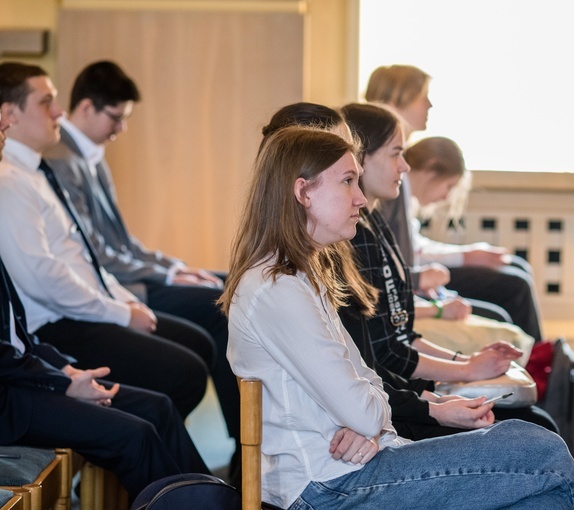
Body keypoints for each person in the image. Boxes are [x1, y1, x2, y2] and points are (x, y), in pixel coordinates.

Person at [221, 124, 574, 509]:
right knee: (541, 451)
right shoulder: (277, 289)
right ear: (303, 192)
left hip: (352, 466)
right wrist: (368, 423)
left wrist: (368, 424)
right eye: (348, 181)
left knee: (541, 497)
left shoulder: (301, 275)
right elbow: (362, 407)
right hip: (325, 486)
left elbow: (363, 375)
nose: (360, 199)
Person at [259, 102, 539, 440]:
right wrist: (444, 390)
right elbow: (365, 377)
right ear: (302, 187)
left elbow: (368, 369)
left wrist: (436, 395)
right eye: (346, 174)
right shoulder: (289, 281)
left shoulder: (357, 234)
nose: (404, 166)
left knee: (530, 426)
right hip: (348, 442)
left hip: (378, 411)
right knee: (529, 432)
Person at [0, 109, 209, 501]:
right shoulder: (12, 184)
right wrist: (60, 381)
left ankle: (207, 500)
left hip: (24, 371)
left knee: (157, 407)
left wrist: (63, 368)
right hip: (8, 399)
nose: (4, 127)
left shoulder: (33, 175)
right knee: (137, 433)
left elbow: (16, 332)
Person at [42, 60, 239, 467]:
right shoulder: (63, 160)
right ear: (87, 107)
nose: (121, 128)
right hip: (119, 289)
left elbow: (125, 242)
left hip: (127, 279)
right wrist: (166, 276)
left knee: (227, 283)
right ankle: (242, 443)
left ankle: (239, 440)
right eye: (116, 117)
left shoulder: (90, 155)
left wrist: (175, 267)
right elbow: (95, 253)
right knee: (217, 306)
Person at [338, 102, 556, 432]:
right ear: (362, 159)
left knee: (536, 422)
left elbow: (399, 336)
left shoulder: (372, 227)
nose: (405, 167)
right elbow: (382, 358)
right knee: (536, 429)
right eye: (396, 154)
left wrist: (464, 367)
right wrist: (450, 385)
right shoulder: (357, 238)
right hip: (389, 408)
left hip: (396, 394)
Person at [365, 64, 544, 340]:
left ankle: (538, 360)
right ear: (398, 99)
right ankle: (538, 362)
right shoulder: (382, 176)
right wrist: (432, 278)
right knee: (514, 285)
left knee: (517, 272)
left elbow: (406, 247)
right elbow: (389, 259)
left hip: (408, 279)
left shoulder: (394, 173)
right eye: (422, 96)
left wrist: (468, 255)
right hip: (404, 283)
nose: (429, 104)